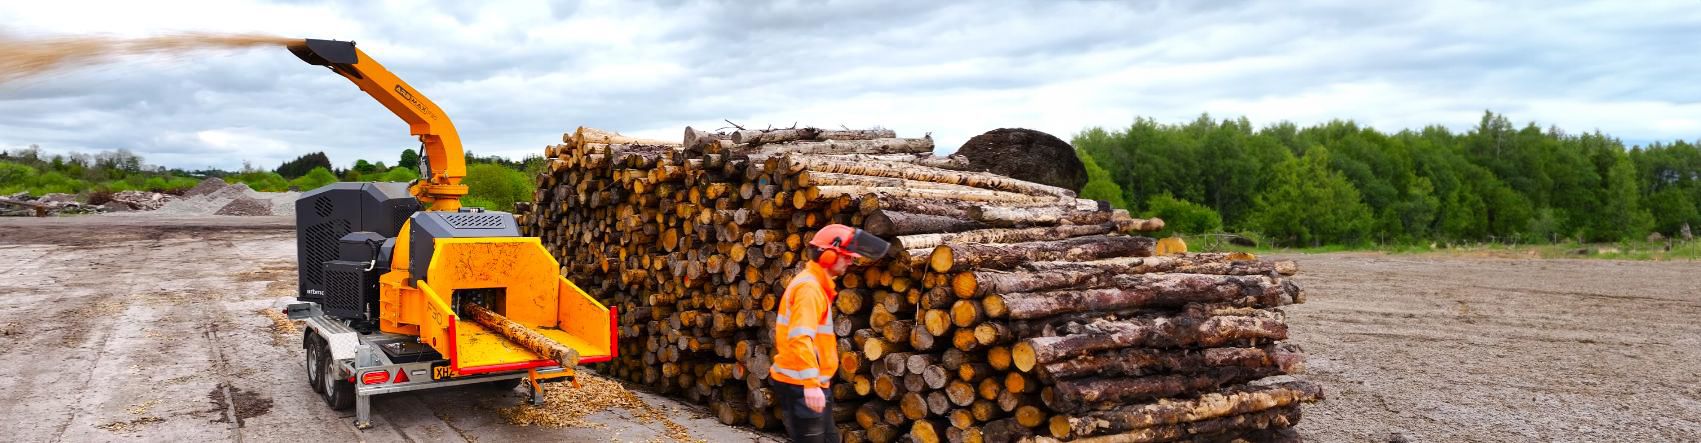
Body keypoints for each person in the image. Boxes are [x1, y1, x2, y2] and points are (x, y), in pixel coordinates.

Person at [770, 224, 889, 443]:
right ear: (828, 256)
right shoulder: (809, 289)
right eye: (846, 256)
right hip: (800, 383)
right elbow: (800, 338)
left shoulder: (816, 285)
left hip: (811, 383)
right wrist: (810, 384)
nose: (850, 262)